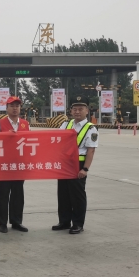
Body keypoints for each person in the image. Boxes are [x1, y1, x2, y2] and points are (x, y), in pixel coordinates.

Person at [53, 96, 99, 234]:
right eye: (75, 109)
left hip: (78, 164)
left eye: (81, 109)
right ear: (71, 111)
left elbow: (91, 150)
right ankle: (64, 222)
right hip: (64, 164)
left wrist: (85, 169)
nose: (77, 112)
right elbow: (56, 141)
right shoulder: (65, 125)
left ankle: (78, 224)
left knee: (77, 195)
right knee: (63, 194)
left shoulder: (91, 128)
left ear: (87, 111)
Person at [0, 96, 30, 234]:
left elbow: (31, 142)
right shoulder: (0, 124)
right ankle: (2, 222)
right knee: (2, 194)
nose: (15, 108)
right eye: (12, 106)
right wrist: (5, 136)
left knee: (17, 194)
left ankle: (16, 221)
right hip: (4, 165)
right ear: (6, 108)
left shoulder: (26, 124)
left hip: (19, 165)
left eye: (17, 106)